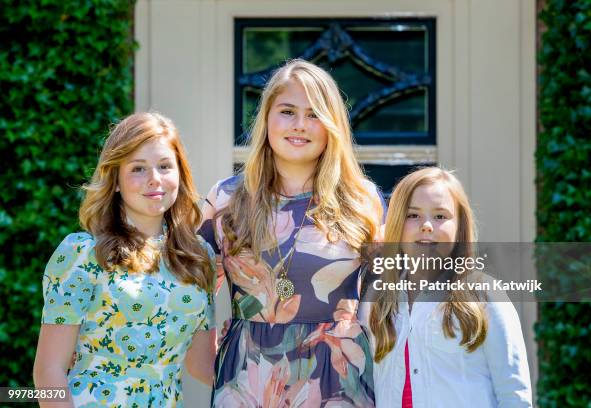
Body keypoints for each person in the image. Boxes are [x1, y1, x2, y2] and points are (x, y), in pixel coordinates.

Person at [201, 59, 384, 406]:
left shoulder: (364, 201)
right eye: (287, 111)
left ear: (332, 126)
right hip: (246, 382)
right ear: (267, 118)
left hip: (339, 383)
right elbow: (186, 292)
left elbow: (389, 305)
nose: (300, 125)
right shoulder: (225, 199)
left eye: (314, 114)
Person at [33, 112, 217, 407]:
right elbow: (48, 372)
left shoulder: (198, 256)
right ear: (115, 180)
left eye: (165, 166)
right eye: (138, 169)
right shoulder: (82, 253)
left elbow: (201, 363)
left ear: (179, 174)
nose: (154, 179)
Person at [361, 167, 532, 407]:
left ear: (460, 228)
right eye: (413, 215)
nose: (427, 226)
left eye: (440, 216)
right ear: (396, 225)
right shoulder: (375, 300)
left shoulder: (485, 295)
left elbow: (514, 394)